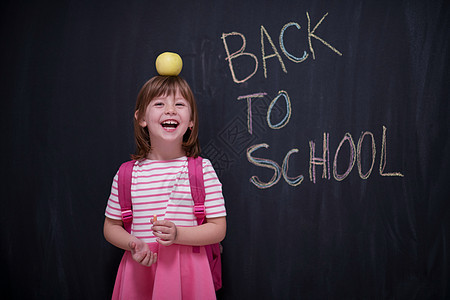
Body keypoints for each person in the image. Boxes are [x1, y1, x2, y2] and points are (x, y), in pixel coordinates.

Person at [103, 75, 227, 299]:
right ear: (141, 117)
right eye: (159, 103)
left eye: (179, 104)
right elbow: (111, 227)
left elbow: (218, 229)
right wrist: (133, 244)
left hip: (189, 274)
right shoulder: (126, 174)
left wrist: (178, 234)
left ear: (191, 121)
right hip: (139, 271)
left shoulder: (202, 169)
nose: (170, 110)